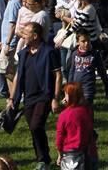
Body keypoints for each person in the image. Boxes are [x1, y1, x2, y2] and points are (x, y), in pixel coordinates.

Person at [8, 22, 63, 170]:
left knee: (36, 125)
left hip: (44, 96)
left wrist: (55, 98)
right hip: (28, 97)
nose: (22, 35)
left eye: (25, 33)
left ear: (35, 36)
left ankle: (44, 160)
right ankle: (42, 159)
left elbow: (58, 75)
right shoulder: (24, 53)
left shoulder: (48, 52)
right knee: (34, 129)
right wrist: (12, 98)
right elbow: (18, 76)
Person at [55, 82, 96, 170]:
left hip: (71, 155)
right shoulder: (87, 111)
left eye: (65, 95)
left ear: (70, 97)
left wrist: (59, 154)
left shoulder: (64, 115)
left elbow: (60, 137)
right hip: (88, 152)